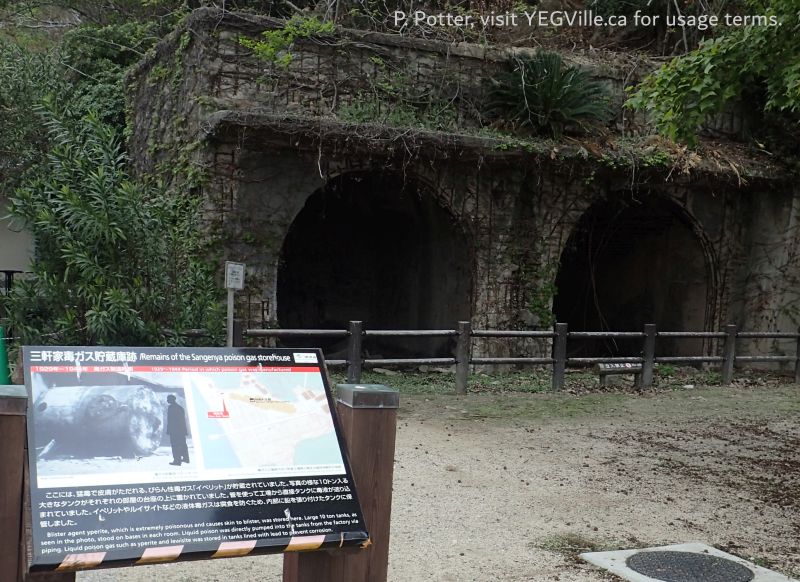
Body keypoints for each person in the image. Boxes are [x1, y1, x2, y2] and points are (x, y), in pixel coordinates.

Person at [166, 395, 189, 466]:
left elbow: (170, 421)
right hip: (181, 430)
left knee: (175, 446)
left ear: (171, 400)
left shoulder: (171, 408)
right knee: (183, 444)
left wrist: (169, 430)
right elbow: (182, 420)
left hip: (174, 431)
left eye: (168, 399)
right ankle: (186, 458)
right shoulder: (180, 408)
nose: (167, 400)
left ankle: (177, 461)